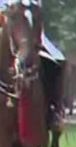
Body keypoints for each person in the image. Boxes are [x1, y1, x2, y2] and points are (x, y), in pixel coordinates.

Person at [7, 0, 67, 130]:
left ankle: (54, 109)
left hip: (33, 37)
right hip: (7, 31)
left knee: (58, 62)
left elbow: (39, 18)